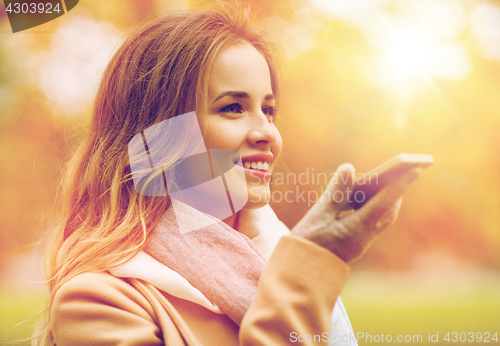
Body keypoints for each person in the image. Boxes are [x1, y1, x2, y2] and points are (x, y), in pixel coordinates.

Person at [35, 4, 422, 346]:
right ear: (159, 134)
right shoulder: (97, 302)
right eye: (233, 108)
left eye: (268, 110)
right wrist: (309, 266)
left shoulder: (275, 254)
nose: (266, 132)